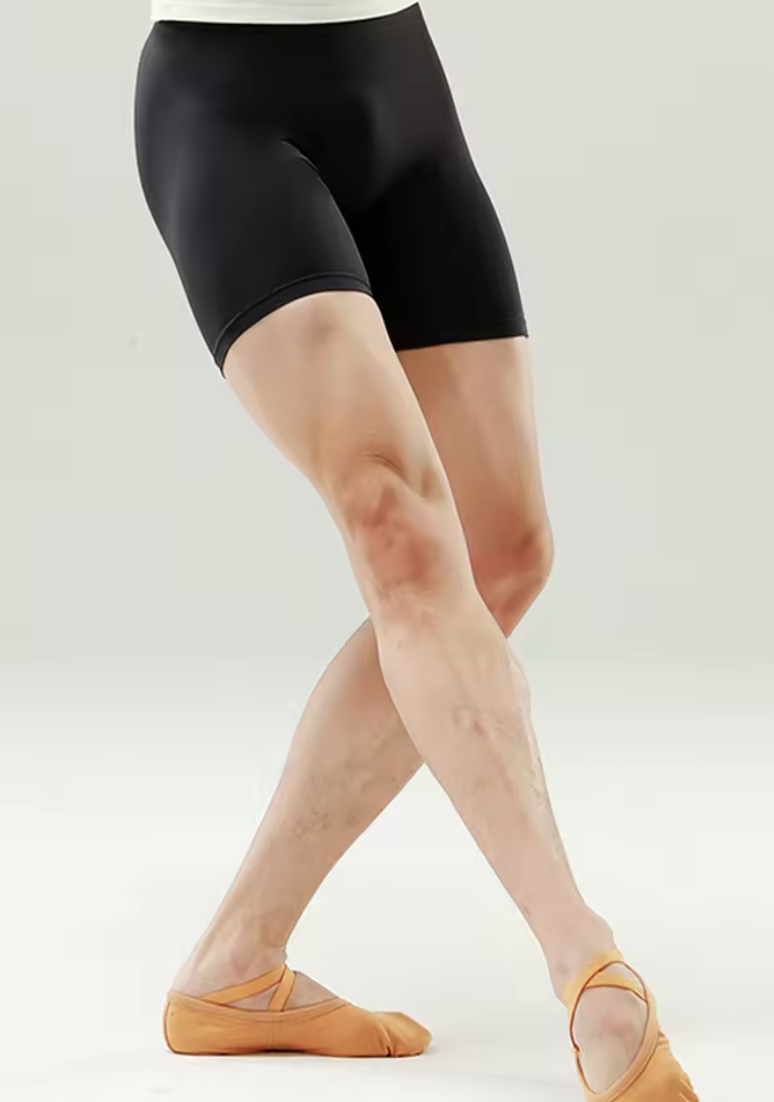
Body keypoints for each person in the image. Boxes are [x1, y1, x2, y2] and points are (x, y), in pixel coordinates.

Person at [133, 2, 700, 1098]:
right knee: (396, 525)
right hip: (225, 102)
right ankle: (588, 965)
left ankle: (233, 967)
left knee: (502, 552)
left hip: (399, 79)